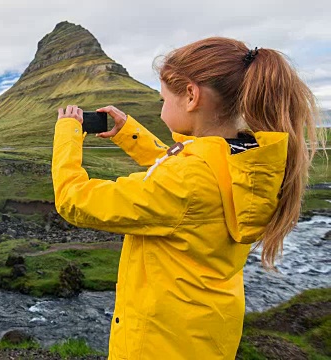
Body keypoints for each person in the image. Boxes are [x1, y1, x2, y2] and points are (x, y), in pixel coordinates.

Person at [51, 37, 325, 360]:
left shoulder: (185, 183)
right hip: (203, 342)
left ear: (192, 96)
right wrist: (129, 134)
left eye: (163, 99)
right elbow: (182, 170)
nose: (161, 106)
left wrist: (67, 133)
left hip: (155, 348)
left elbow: (74, 199)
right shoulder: (241, 162)